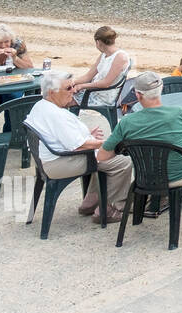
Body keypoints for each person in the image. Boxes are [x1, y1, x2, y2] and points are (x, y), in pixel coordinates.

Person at [25, 72, 132, 223]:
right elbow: (80, 145)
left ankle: (91, 202)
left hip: (48, 159)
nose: (74, 91)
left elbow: (61, 135)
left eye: (73, 86)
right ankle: (110, 210)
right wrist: (110, 142)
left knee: (101, 156)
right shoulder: (56, 114)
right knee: (121, 162)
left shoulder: (41, 105)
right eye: (68, 88)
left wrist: (86, 134)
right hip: (61, 162)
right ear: (52, 93)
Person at [100, 72, 182, 209]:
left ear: (138, 95)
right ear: (161, 89)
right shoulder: (178, 113)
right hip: (181, 174)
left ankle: (165, 196)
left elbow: (102, 156)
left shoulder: (126, 122)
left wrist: (123, 149)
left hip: (146, 178)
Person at [70, 26, 132, 108]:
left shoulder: (120, 57)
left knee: (62, 100)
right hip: (94, 90)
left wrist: (82, 86)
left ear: (98, 42)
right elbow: (88, 76)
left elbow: (106, 83)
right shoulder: (104, 55)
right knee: (62, 92)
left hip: (104, 96)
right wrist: (72, 82)